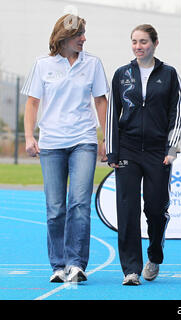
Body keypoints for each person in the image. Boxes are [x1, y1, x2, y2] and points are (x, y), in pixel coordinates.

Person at [22, 14, 108, 283]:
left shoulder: (93, 64)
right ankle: (57, 265)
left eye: (84, 33)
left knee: (80, 203)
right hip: (51, 144)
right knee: (55, 208)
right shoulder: (42, 64)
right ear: (64, 37)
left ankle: (76, 263)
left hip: (84, 140)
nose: (84, 38)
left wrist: (105, 139)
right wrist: (28, 137)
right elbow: (32, 104)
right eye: (79, 34)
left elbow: (101, 103)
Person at [106, 24, 181, 285]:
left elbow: (178, 115)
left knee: (155, 208)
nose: (139, 47)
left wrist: (171, 149)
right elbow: (111, 115)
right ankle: (131, 269)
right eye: (135, 42)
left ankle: (155, 254)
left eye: (144, 42)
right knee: (127, 209)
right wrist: (111, 150)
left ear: (155, 43)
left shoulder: (170, 75)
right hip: (127, 149)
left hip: (157, 151)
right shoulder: (121, 74)